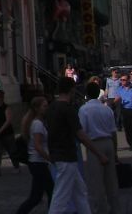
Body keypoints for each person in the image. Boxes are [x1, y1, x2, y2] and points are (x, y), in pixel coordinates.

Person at [46, 76, 109, 214]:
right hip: (66, 156)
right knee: (60, 197)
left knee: (80, 192)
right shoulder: (68, 110)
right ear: (71, 90)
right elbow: (81, 135)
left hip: (58, 154)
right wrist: (99, 154)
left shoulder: (51, 108)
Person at [79, 80, 118, 214]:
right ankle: (114, 208)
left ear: (87, 94)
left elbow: (82, 131)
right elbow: (113, 131)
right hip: (108, 143)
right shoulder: (106, 109)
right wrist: (115, 151)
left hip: (94, 144)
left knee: (96, 181)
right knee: (111, 180)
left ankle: (100, 209)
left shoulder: (84, 109)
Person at [13, 96, 52, 214]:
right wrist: (50, 158)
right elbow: (38, 146)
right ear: (37, 108)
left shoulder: (38, 123)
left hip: (37, 163)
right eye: (44, 106)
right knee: (48, 192)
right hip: (38, 163)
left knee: (38, 196)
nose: (47, 108)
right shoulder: (37, 124)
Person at [110, 72, 132, 151]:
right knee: (128, 128)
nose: (122, 81)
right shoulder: (120, 89)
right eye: (121, 80)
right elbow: (117, 97)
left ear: (129, 80)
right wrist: (111, 103)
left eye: (124, 80)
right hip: (125, 110)